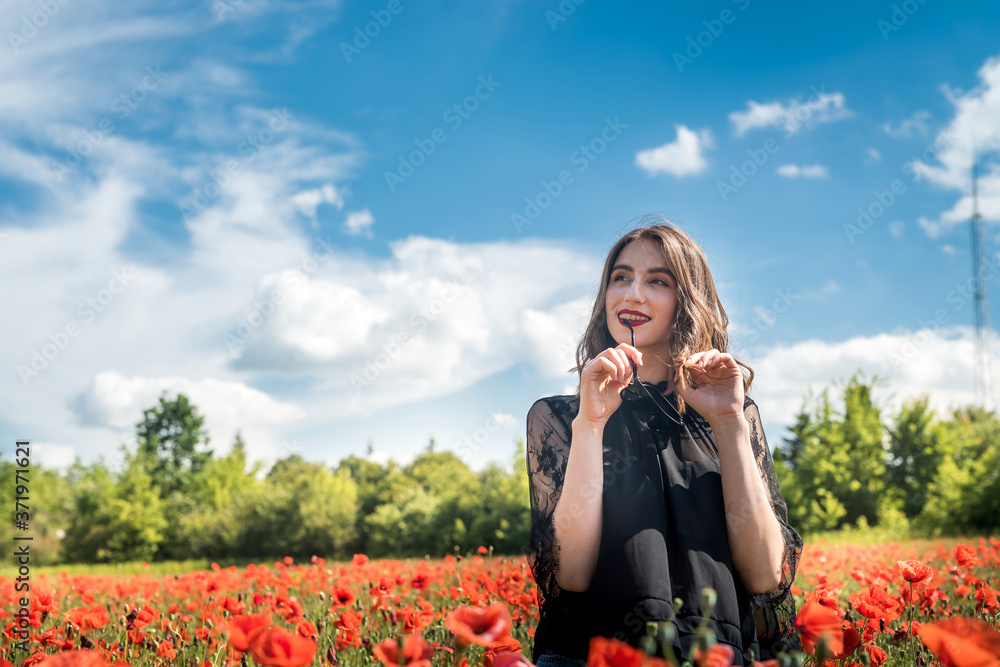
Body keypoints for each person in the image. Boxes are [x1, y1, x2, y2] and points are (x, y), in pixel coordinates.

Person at [524, 220, 802, 667]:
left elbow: (766, 572)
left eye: (657, 281)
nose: (632, 293)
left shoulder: (731, 413)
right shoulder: (560, 418)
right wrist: (591, 423)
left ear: (687, 301)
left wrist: (728, 420)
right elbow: (571, 575)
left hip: (719, 655)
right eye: (621, 277)